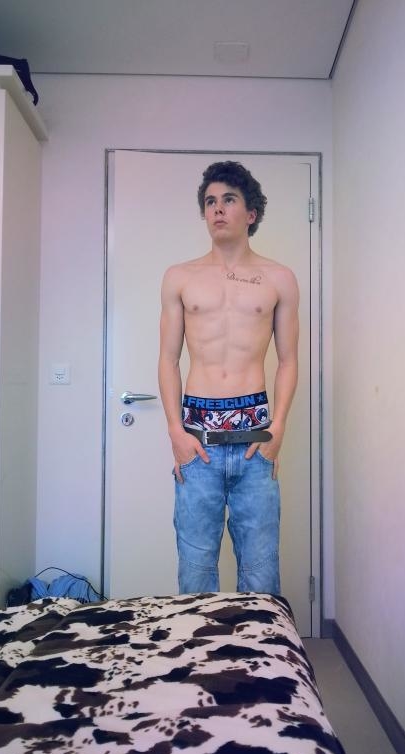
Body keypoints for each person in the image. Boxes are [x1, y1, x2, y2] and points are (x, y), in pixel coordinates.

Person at [158, 161, 299, 594]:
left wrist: (277, 429)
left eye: (229, 200)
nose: (217, 209)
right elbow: (168, 359)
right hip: (196, 442)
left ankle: (258, 641)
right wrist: (176, 432)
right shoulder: (179, 277)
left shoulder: (279, 279)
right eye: (210, 202)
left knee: (260, 570)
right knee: (196, 571)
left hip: (255, 443)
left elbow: (289, 361)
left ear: (251, 213)